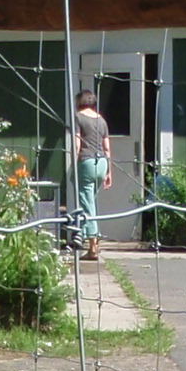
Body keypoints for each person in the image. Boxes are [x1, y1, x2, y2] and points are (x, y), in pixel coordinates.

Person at [73, 88, 111, 261]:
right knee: (91, 202)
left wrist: (74, 162)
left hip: (87, 162)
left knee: (87, 203)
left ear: (79, 102)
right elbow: (107, 148)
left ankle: (93, 246)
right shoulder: (101, 120)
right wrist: (109, 171)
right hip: (102, 163)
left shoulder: (78, 117)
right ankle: (93, 239)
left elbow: (77, 144)